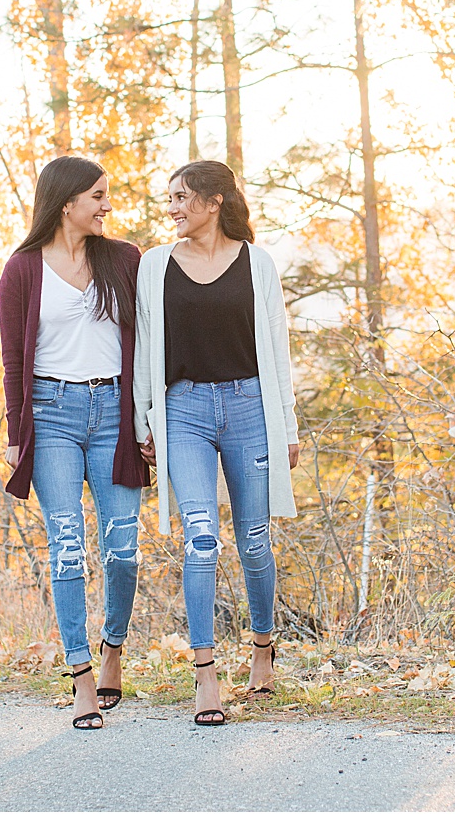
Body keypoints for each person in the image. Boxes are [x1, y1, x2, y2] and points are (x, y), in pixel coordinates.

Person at [133, 159, 300, 726]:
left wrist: (289, 427)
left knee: (255, 540)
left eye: (182, 197)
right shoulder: (155, 266)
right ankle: (205, 674)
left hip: (251, 406)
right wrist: (143, 423)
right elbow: (143, 353)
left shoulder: (257, 264)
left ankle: (262, 650)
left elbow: (277, 351)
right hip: (184, 411)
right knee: (201, 539)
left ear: (214, 201)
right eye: (171, 198)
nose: (174, 208)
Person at [0, 155, 149, 730]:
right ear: (67, 203)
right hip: (52, 416)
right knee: (66, 546)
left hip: (114, 412)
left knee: (123, 547)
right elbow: (14, 359)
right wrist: (18, 435)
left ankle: (113, 649)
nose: (107, 205)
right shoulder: (23, 269)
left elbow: (148, 340)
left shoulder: (124, 259)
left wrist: (147, 420)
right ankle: (81, 677)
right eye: (98, 196)